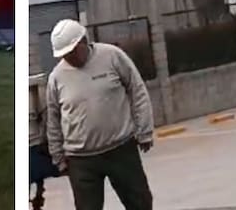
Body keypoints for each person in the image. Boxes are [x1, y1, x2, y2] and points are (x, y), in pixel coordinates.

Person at [44, 19, 154, 210]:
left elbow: (137, 90)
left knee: (140, 203)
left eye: (72, 52)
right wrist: (58, 157)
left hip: (121, 150)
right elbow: (53, 119)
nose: (69, 58)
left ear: (83, 41)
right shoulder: (56, 77)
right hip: (81, 160)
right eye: (64, 55)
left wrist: (144, 130)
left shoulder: (112, 56)